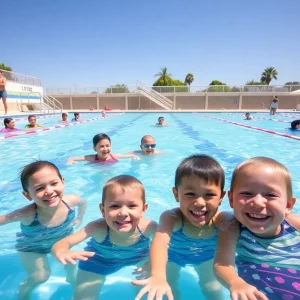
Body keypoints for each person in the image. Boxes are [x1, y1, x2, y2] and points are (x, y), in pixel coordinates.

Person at [133, 154, 226, 300]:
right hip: (173, 256)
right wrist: (157, 275)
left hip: (206, 257)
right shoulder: (171, 218)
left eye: (209, 194)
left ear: (221, 197)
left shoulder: (222, 220)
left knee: (212, 287)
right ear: (176, 194)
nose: (200, 202)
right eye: (190, 194)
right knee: (168, 287)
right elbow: (160, 243)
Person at [52, 175, 157, 300]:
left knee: (153, 291)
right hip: (99, 262)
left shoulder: (149, 227)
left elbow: (165, 245)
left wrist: (151, 263)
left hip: (139, 258)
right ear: (102, 209)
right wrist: (62, 251)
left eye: (132, 206)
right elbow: (62, 243)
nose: (123, 213)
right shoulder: (98, 228)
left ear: (143, 209)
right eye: (115, 206)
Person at [214, 157, 300, 300]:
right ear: (231, 199)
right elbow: (222, 264)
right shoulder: (232, 227)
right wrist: (235, 282)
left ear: (288, 205)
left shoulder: (295, 226)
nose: (258, 203)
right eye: (247, 193)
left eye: (271, 195)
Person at [0, 161, 87, 299]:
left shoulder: (71, 201)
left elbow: (83, 203)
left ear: (62, 182)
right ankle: (23, 292)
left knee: (72, 262)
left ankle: (71, 278)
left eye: (54, 183)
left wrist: (80, 218)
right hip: (32, 247)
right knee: (41, 276)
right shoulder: (27, 214)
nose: (49, 191)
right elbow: (3, 219)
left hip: (61, 241)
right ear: (28, 195)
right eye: (39, 188)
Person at [67, 133, 140, 164]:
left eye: (107, 146)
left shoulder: (114, 156)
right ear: (95, 148)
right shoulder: (91, 158)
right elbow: (71, 158)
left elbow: (132, 156)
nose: (105, 149)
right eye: (102, 146)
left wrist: (135, 157)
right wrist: (70, 162)